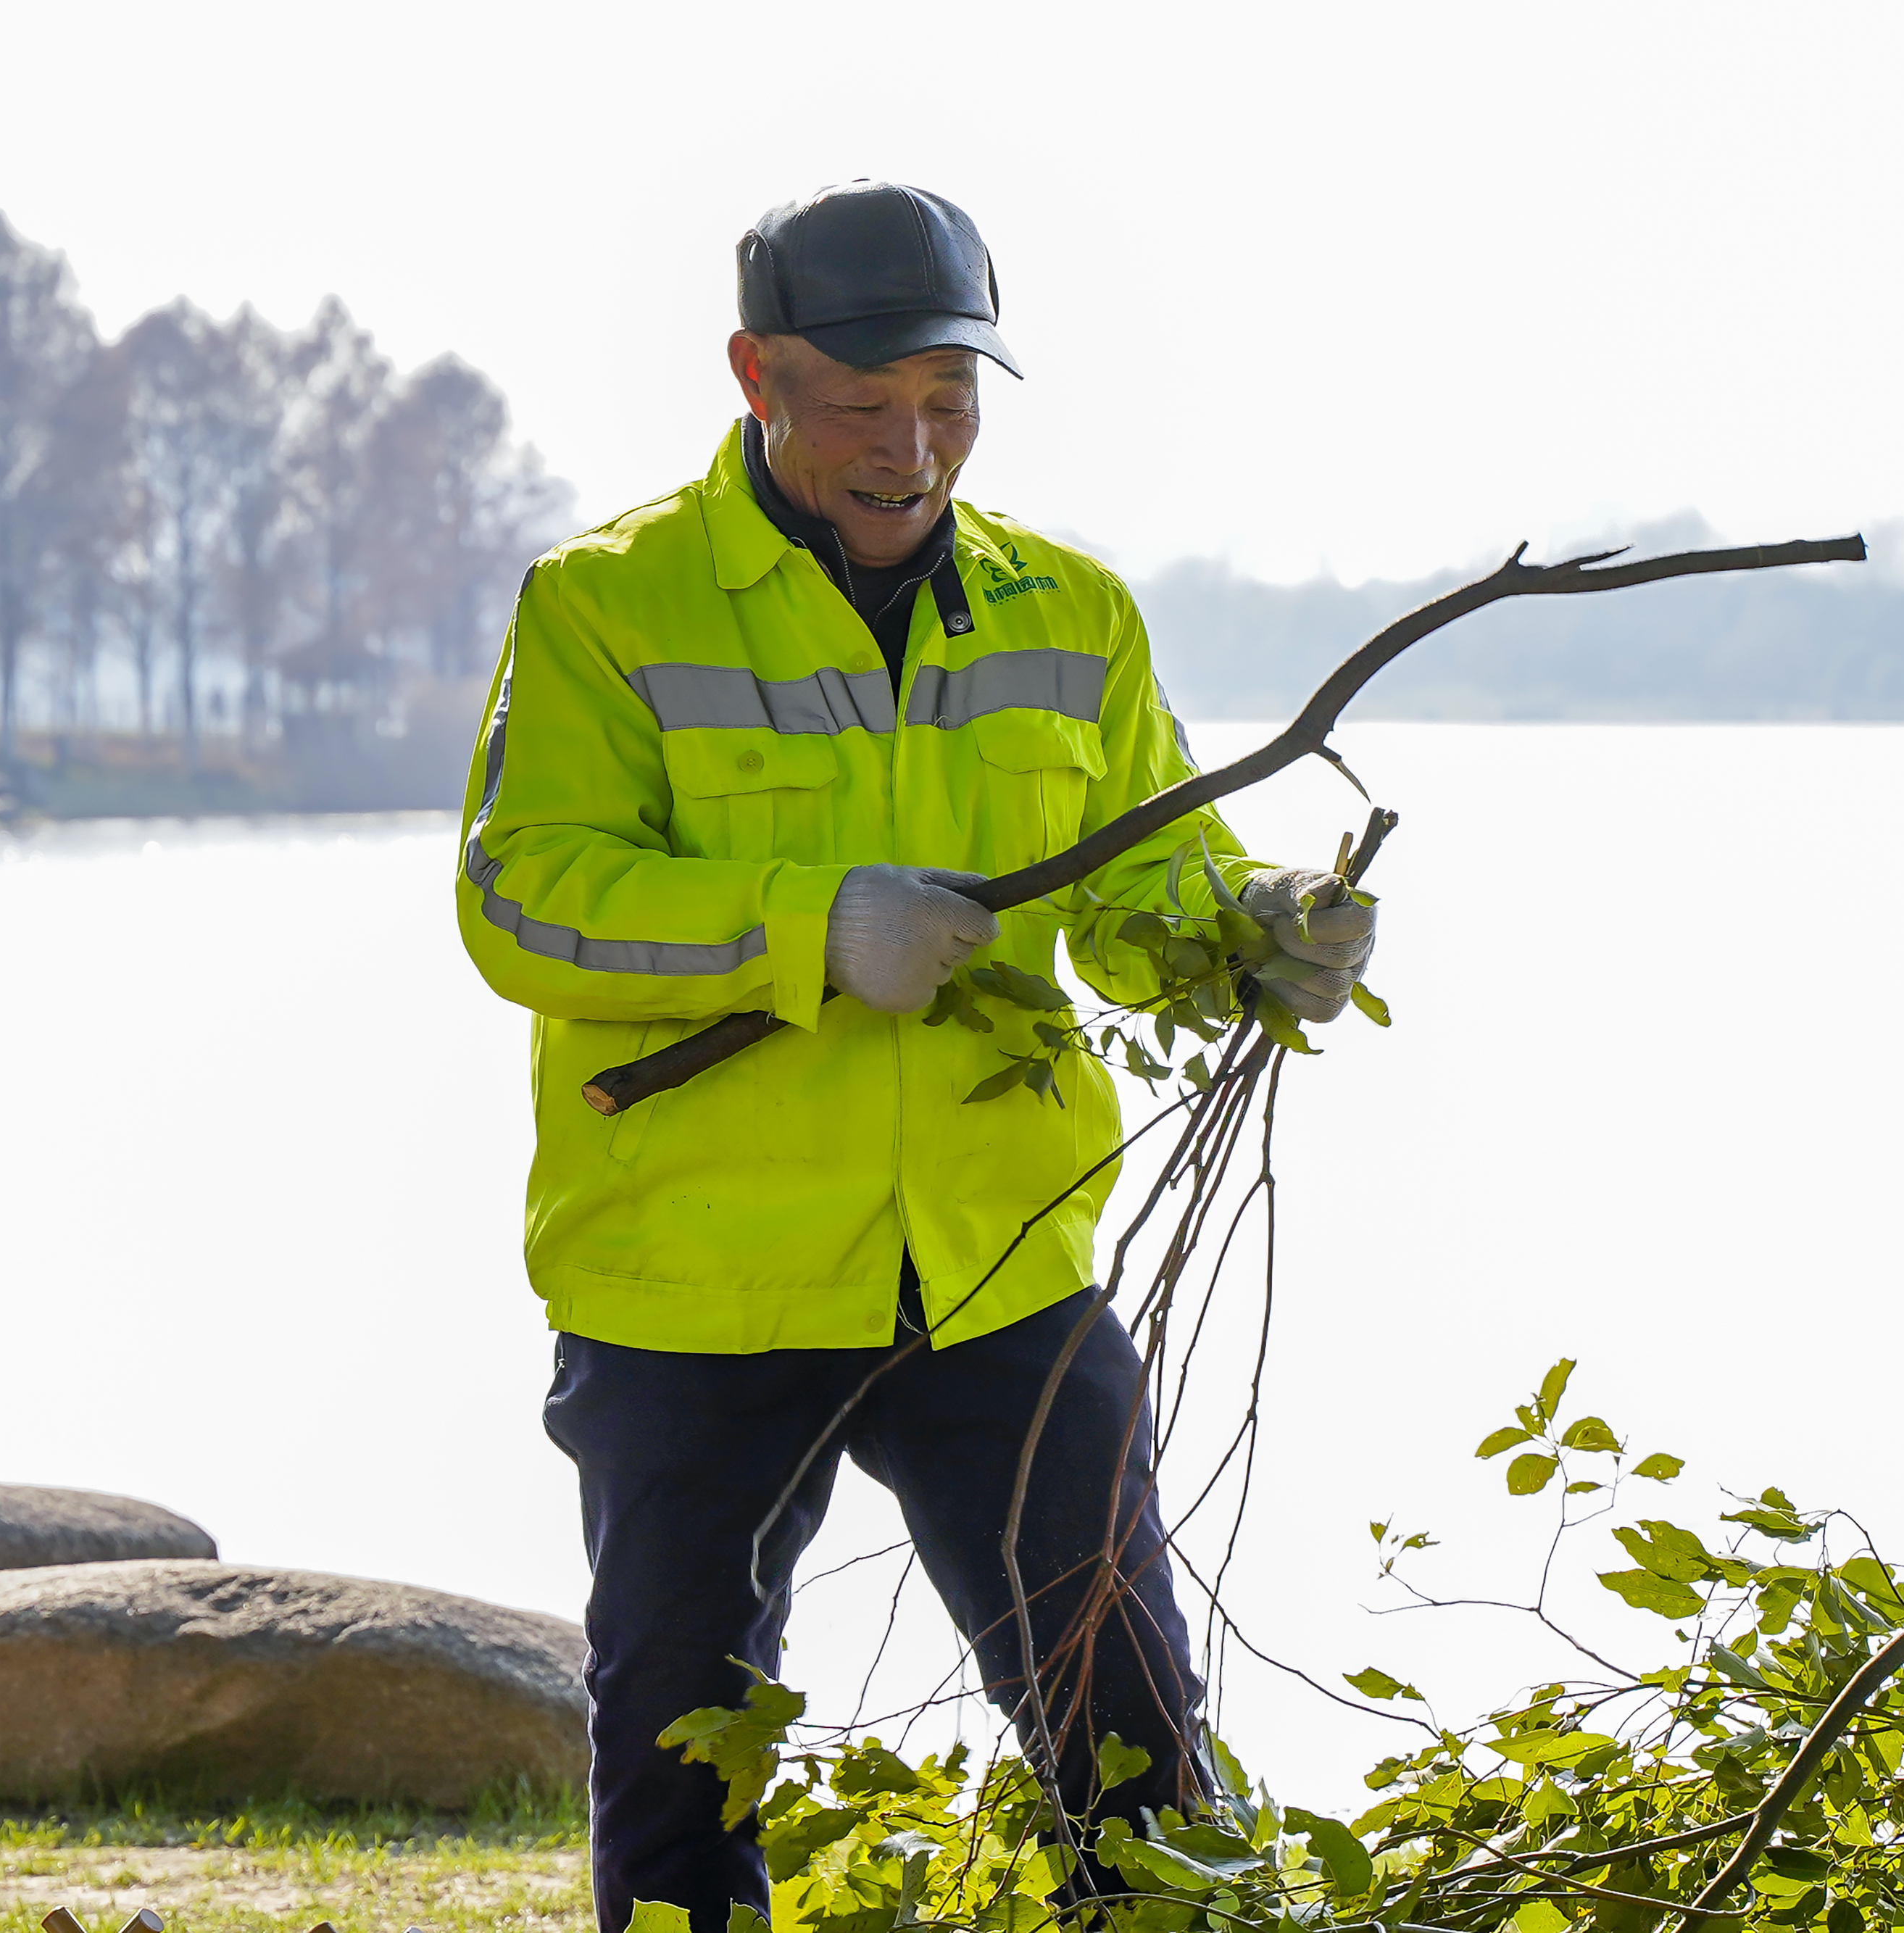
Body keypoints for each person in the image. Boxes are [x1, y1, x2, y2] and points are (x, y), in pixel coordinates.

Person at [452, 180, 1378, 1933]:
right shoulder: (608, 606)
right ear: (756, 377)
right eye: (865, 403)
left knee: (1135, 1744)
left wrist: (1263, 927)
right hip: (694, 1287)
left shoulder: (1071, 612)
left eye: (947, 400)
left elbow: (1138, 896)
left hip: (999, 1265)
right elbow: (523, 905)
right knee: (679, 1755)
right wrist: (812, 928)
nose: (912, 446)